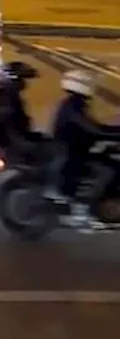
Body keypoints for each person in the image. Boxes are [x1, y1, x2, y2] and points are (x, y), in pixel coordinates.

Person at [50, 70, 120, 224]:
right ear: (82, 85)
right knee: (108, 169)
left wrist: (114, 131)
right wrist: (116, 133)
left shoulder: (76, 104)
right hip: (72, 152)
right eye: (90, 84)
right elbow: (95, 129)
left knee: (112, 157)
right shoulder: (73, 106)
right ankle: (83, 208)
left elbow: (95, 128)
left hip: (81, 147)